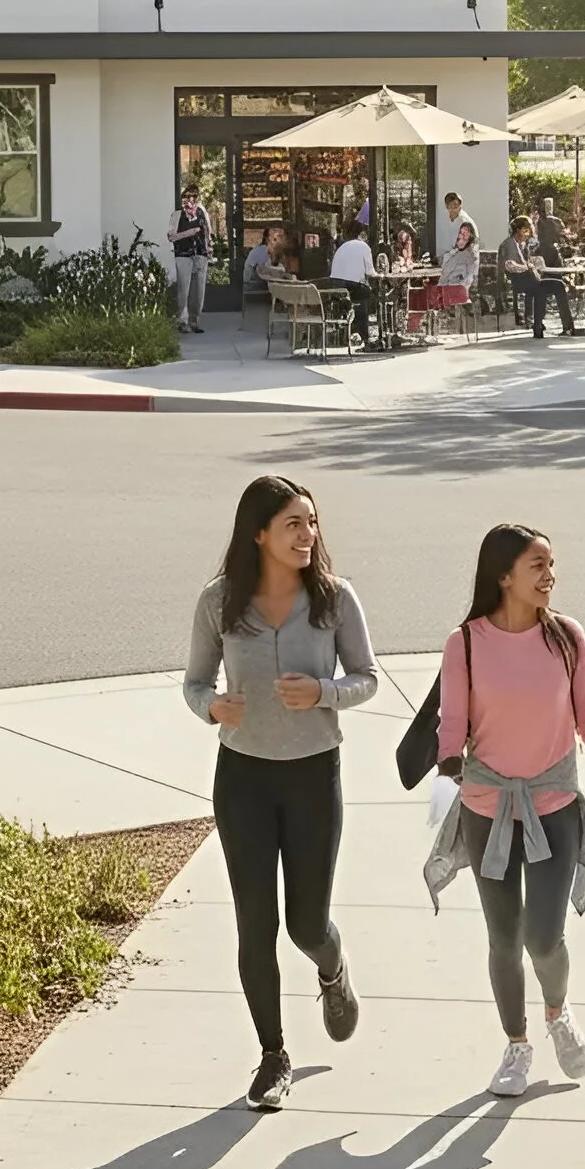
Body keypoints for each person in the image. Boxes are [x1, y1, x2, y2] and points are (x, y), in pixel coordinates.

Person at [424, 524, 585, 1097]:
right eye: (538, 565)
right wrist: (449, 763)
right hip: (487, 810)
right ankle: (516, 1045)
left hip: (554, 808)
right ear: (504, 575)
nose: (550, 575)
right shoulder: (466, 643)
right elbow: (452, 726)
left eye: (552, 564)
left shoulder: (567, 638)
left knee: (544, 938)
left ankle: (556, 1010)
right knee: (503, 937)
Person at [182, 475, 378, 1111]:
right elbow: (192, 683)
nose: (307, 534)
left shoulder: (334, 599)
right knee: (255, 924)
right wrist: (213, 708)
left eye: (312, 523)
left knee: (306, 923)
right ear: (259, 532)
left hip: (313, 773)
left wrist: (323, 693)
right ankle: (273, 1056)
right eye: (294, 523)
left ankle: (332, 965)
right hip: (242, 777)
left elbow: (368, 678)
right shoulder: (219, 602)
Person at [503, 215, 575, 338]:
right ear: (519, 230)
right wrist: (527, 267)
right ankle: (541, 327)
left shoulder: (520, 245)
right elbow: (509, 265)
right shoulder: (510, 244)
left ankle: (563, 327)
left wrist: (531, 264)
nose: (529, 234)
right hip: (521, 281)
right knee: (544, 288)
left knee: (558, 285)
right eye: (527, 230)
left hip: (529, 279)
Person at [169, 183, 212, 334]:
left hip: (200, 254)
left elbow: (208, 232)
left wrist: (209, 249)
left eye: (194, 196)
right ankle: (182, 321)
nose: (190, 199)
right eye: (187, 196)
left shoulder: (202, 212)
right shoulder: (176, 215)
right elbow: (171, 236)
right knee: (183, 289)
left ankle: (195, 321)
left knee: (199, 290)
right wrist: (190, 232)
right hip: (183, 254)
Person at [327, 220, 377, 345]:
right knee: (367, 294)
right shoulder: (364, 247)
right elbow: (370, 272)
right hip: (351, 286)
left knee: (359, 293)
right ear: (362, 234)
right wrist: (380, 274)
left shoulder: (342, 247)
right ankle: (364, 335)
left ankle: (350, 328)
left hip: (336, 286)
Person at [440, 219, 481, 293]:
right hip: (445, 294)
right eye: (461, 233)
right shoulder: (449, 255)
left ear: (470, 237)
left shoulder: (472, 257)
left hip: (459, 295)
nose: (462, 237)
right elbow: (443, 278)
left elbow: (470, 280)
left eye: (466, 234)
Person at [242, 226, 284, 295]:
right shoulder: (260, 251)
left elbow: (280, 269)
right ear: (268, 239)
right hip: (252, 287)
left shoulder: (275, 253)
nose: (279, 242)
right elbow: (263, 271)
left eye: (281, 238)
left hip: (262, 286)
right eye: (275, 239)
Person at [535, 194, 570, 269]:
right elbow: (564, 235)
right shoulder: (556, 221)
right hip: (550, 250)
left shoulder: (540, 221)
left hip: (545, 250)